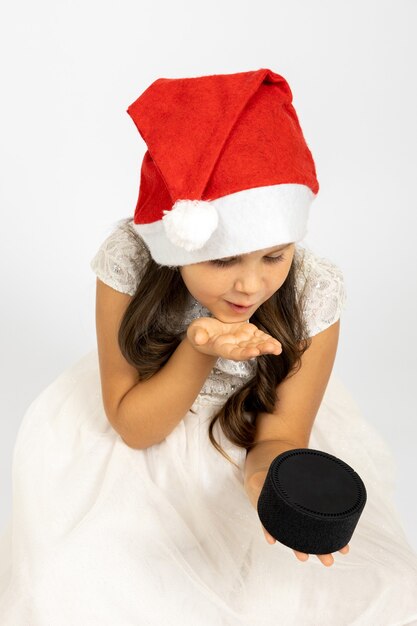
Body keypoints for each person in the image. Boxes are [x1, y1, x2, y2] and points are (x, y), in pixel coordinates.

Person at [0, 68, 417, 625]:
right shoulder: (130, 259)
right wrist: (199, 348)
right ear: (177, 245)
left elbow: (280, 435)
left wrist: (265, 484)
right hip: (144, 432)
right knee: (81, 578)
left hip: (246, 431)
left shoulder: (314, 291)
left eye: (274, 256)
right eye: (222, 260)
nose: (250, 285)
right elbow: (134, 426)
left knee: (368, 591)